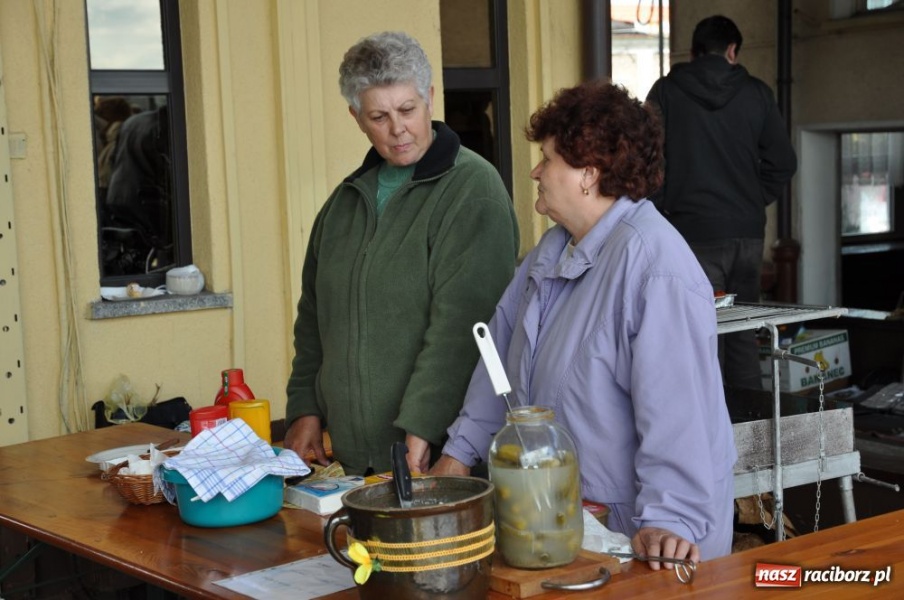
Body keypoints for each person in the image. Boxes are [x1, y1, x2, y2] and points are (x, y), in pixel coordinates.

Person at [431, 81, 737, 566]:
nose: (536, 171)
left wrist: (671, 521)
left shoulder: (655, 266)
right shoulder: (549, 253)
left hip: (642, 541)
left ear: (589, 174)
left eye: (548, 158)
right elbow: (498, 358)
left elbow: (680, 410)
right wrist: (458, 452)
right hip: (564, 527)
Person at [283, 32, 519, 476]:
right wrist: (305, 409)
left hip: (438, 458)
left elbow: (464, 326)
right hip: (355, 461)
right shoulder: (343, 204)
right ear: (356, 117)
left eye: (408, 109)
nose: (398, 129)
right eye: (379, 115)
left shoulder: (473, 190)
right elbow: (314, 319)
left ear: (430, 97)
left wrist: (424, 427)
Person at [645, 15, 797, 391]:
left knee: (698, 336)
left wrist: (666, 207)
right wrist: (752, 200)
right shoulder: (758, 93)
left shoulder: (665, 92)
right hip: (746, 236)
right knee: (743, 333)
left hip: (693, 235)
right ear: (732, 51)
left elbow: (646, 159)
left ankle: (706, 442)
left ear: (695, 52)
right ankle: (751, 438)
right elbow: (783, 163)